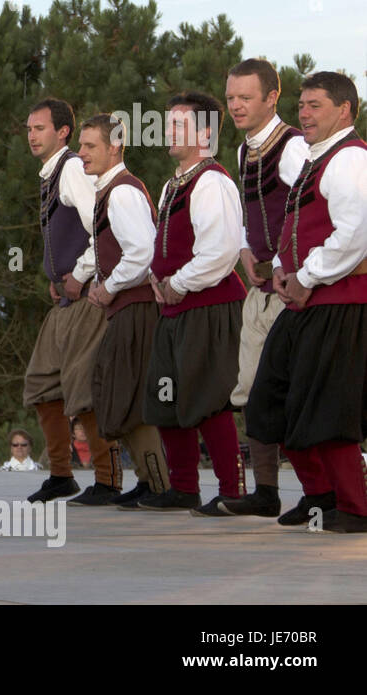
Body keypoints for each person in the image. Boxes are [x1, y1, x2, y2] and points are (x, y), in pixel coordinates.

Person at [248, 71, 367, 533]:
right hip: (304, 301)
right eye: (301, 105)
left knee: (328, 409)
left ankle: (355, 508)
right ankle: (319, 497)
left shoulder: (350, 159)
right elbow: (293, 229)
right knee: (271, 402)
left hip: (341, 301)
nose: (303, 113)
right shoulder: (315, 161)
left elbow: (354, 235)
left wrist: (307, 276)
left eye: (315, 105)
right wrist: (281, 268)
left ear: (345, 110)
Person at [139, 91, 247, 514]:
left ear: (205, 132)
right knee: (166, 396)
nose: (169, 131)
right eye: (168, 124)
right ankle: (183, 487)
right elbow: (163, 245)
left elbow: (221, 251)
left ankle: (232, 491)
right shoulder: (173, 184)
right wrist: (155, 277)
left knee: (208, 396)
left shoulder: (213, 182)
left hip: (208, 306)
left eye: (179, 125)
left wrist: (179, 283)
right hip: (173, 307)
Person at [216, 59, 308, 517]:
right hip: (260, 290)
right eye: (231, 97)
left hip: (293, 290)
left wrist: (289, 266)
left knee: (293, 391)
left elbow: (309, 212)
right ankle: (266, 492)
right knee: (251, 391)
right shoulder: (242, 151)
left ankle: (319, 493)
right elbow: (254, 220)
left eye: (245, 97)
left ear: (272, 97)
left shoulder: (293, 147)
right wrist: (249, 256)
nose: (236, 105)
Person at [22, 98, 121, 504]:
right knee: (42, 383)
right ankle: (61, 475)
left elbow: (101, 227)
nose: (31, 135)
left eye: (40, 128)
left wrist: (79, 275)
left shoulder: (73, 170)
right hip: (63, 300)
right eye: (29, 129)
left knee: (83, 388)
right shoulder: (52, 174)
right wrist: (56, 277)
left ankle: (108, 480)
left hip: (87, 299)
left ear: (63, 132)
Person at [81, 114, 170, 507]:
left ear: (114, 147)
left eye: (90, 146)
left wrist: (108, 287)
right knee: (122, 393)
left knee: (133, 394)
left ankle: (161, 483)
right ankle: (149, 480)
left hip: (137, 308)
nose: (81, 154)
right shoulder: (109, 191)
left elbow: (144, 253)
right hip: (125, 309)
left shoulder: (122, 192)